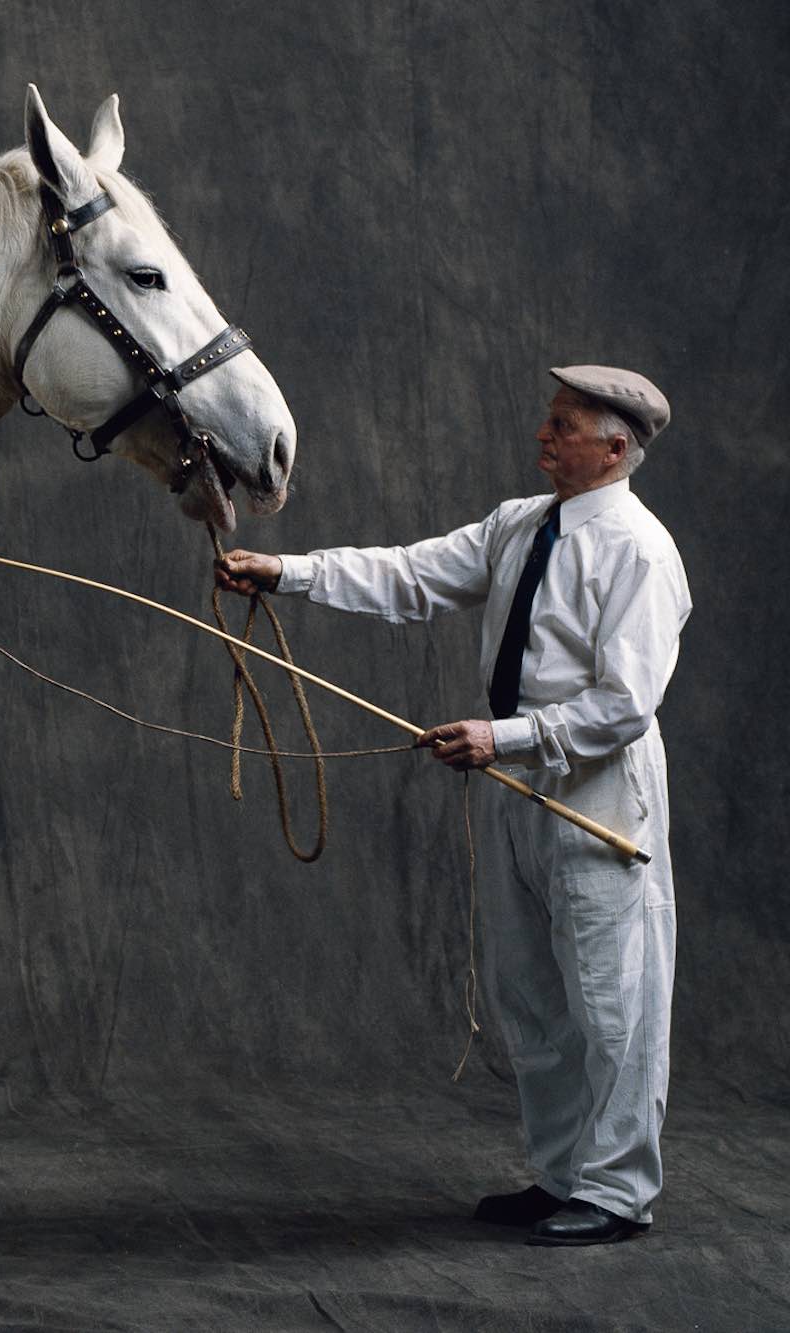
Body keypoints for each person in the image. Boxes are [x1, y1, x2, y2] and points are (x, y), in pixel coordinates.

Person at [217, 366, 690, 1246]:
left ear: (616, 448)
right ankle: (561, 1177)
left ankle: (619, 1191)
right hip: (514, 782)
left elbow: (625, 705)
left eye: (564, 425)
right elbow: (412, 575)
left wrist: (500, 737)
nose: (544, 436)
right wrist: (287, 573)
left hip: (596, 792)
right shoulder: (521, 524)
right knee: (533, 995)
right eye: (548, 420)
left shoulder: (638, 549)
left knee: (612, 1000)